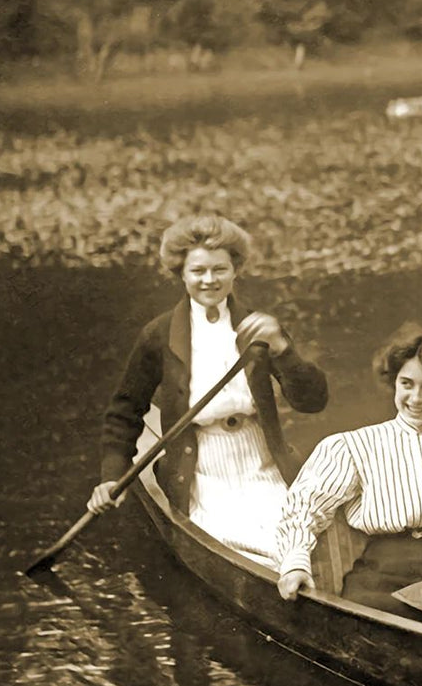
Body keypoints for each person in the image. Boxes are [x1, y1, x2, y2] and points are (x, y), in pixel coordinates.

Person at [89, 213, 328, 564]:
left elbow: (313, 401)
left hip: (260, 457)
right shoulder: (159, 334)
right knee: (237, 548)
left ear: (235, 270)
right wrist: (111, 476)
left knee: (296, 540)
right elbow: (125, 411)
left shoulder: (260, 327)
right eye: (197, 271)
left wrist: (283, 349)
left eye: (219, 269)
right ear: (181, 274)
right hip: (200, 464)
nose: (209, 280)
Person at [275, 325, 422, 613]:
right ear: (394, 383)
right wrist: (295, 564)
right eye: (406, 384)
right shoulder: (354, 446)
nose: (415, 398)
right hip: (384, 579)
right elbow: (304, 508)